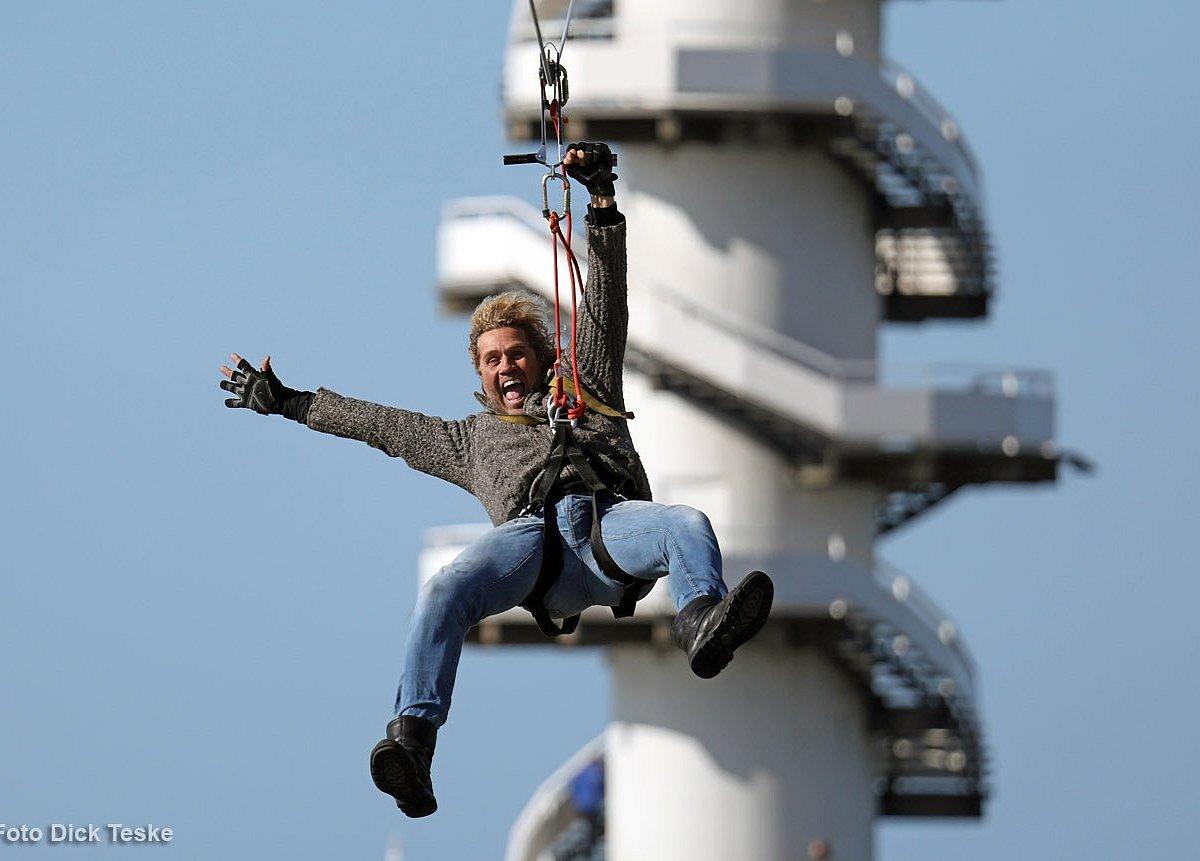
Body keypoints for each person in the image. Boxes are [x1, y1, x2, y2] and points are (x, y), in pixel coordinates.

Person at [217, 143, 774, 818]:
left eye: (516, 354)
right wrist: (289, 400)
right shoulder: (468, 439)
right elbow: (381, 425)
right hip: (531, 553)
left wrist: (602, 201)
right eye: (491, 360)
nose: (505, 367)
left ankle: (700, 622)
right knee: (444, 589)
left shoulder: (588, 386)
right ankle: (413, 742)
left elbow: (605, 302)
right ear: (480, 375)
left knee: (688, 524)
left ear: (540, 359)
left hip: (607, 532)